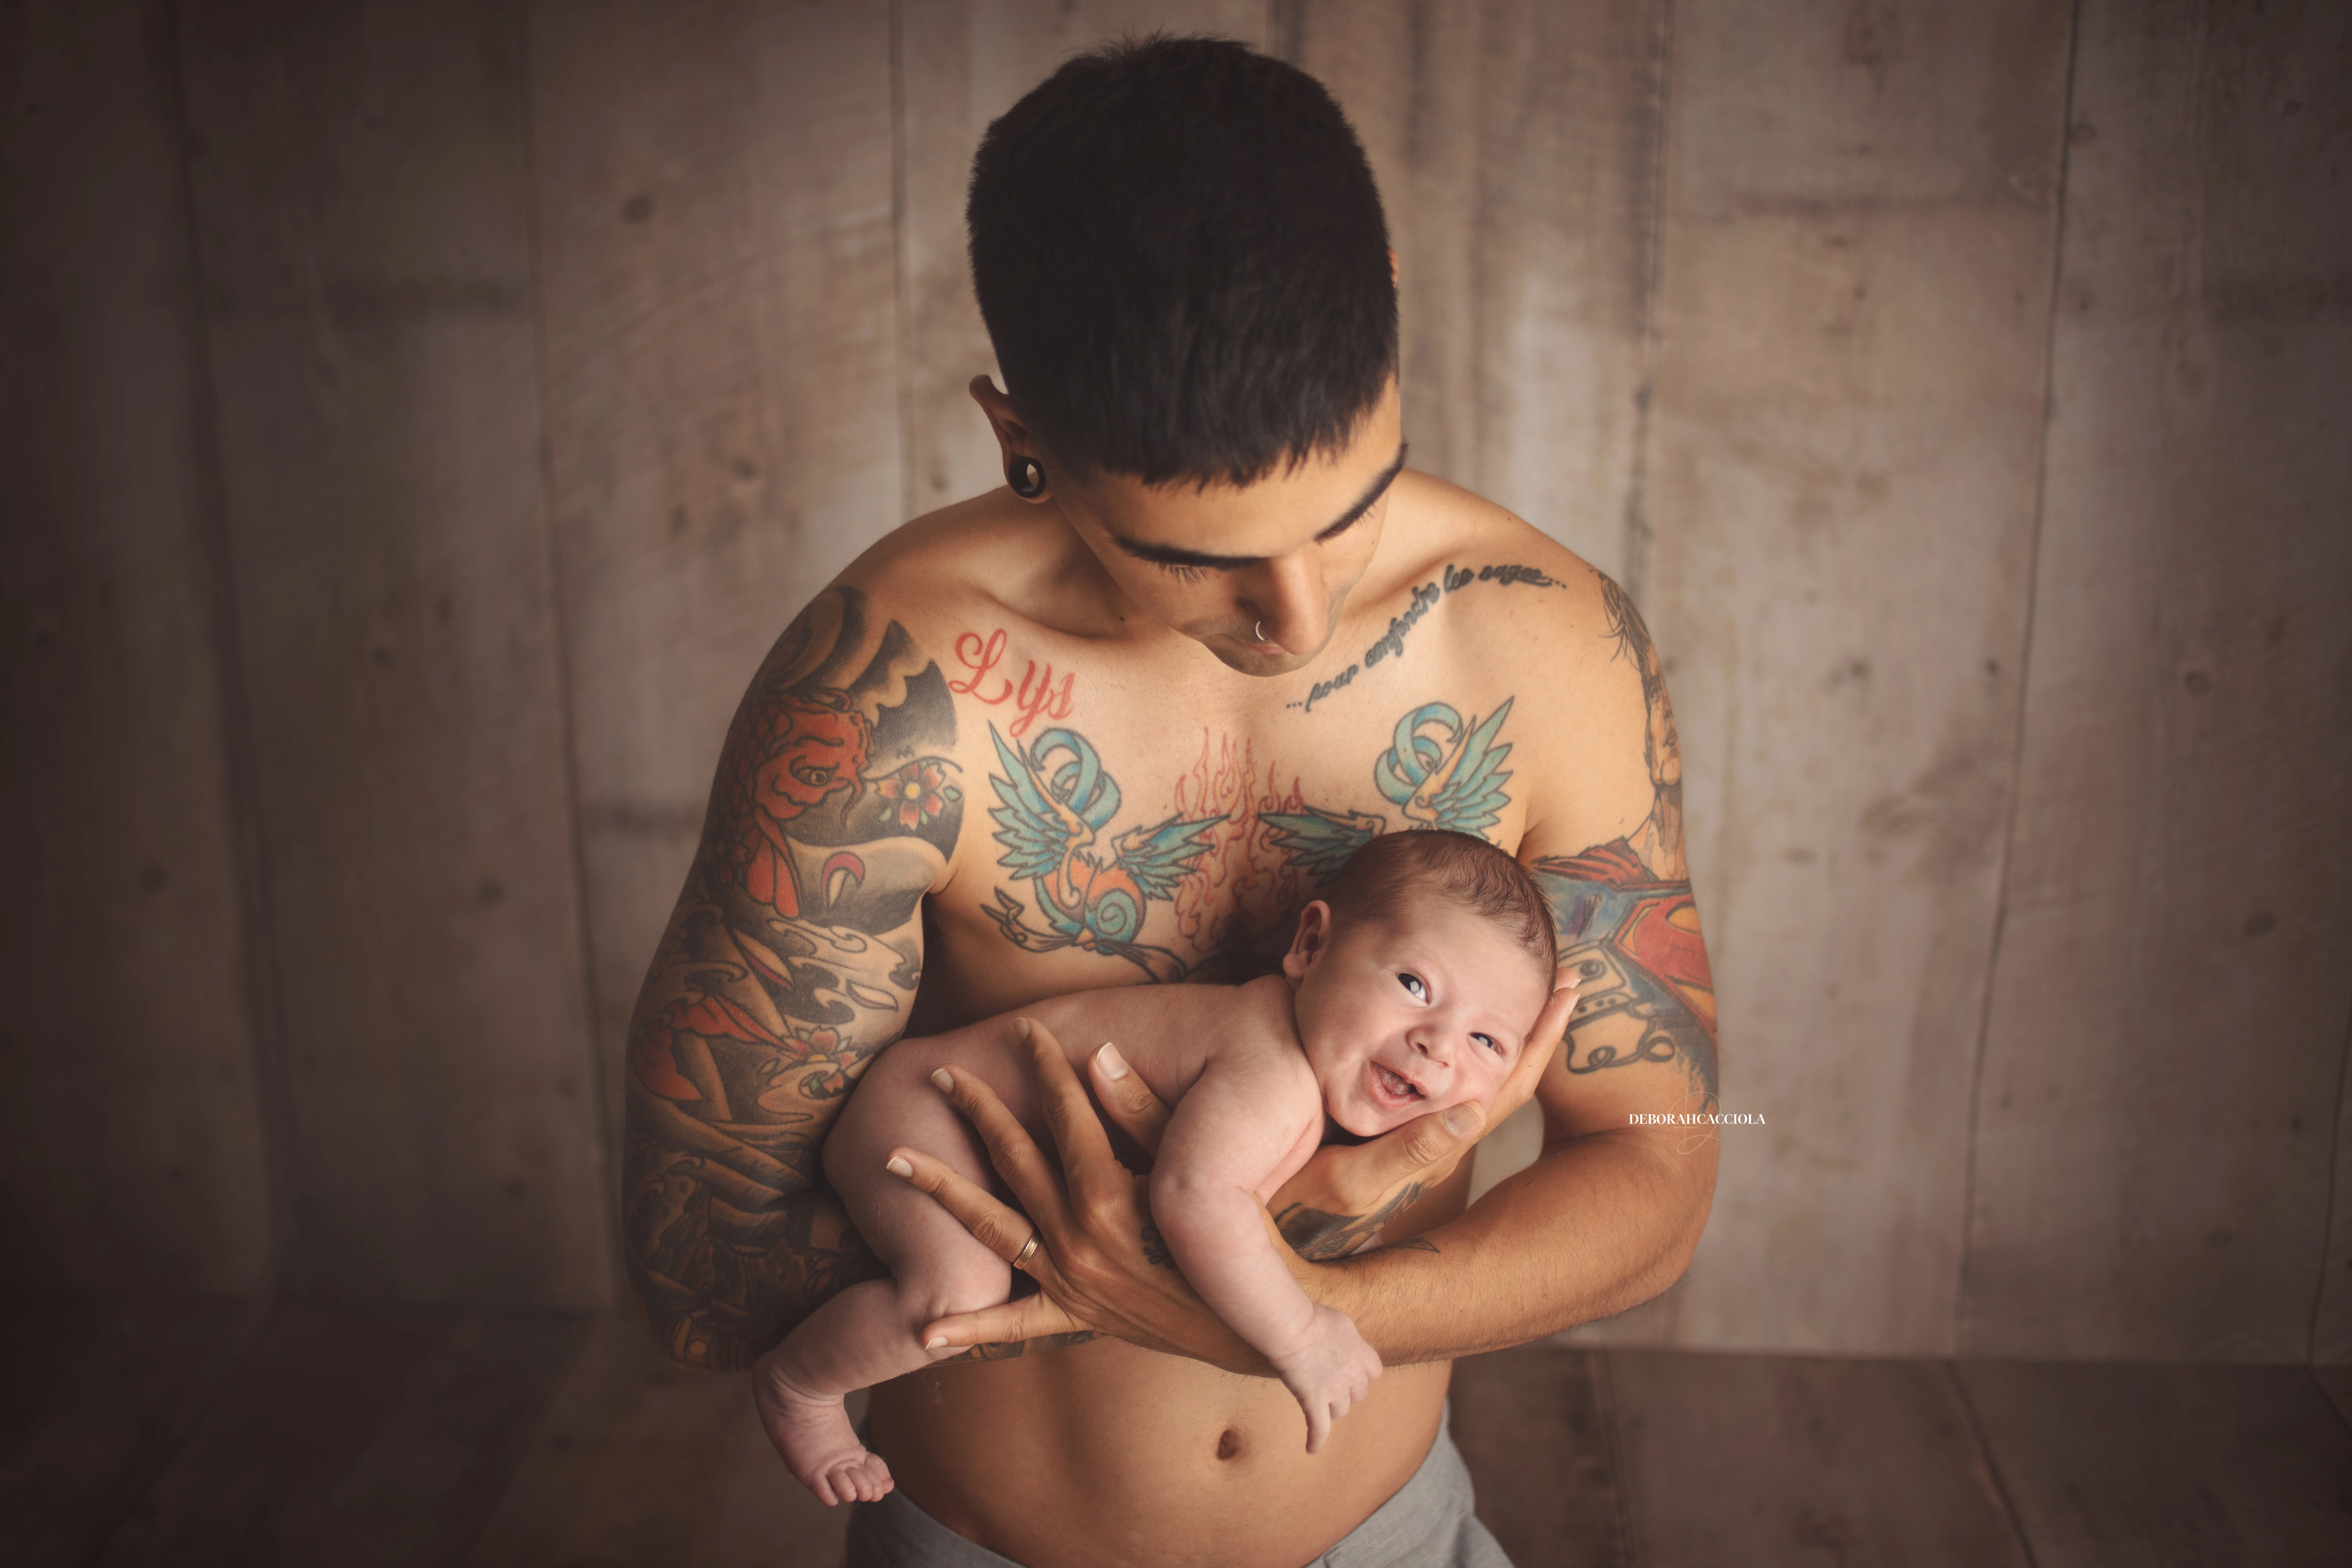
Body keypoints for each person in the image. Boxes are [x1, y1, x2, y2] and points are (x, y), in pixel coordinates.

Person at [622, 34, 1719, 1568]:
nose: (1297, 617)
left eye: (1345, 515)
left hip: (1388, 1532)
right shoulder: (887, 698)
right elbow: (702, 1275)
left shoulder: (1551, 647)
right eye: (1197, 555)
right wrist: (1264, 1226)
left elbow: (1665, 1151)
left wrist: (1314, 1295)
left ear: (1387, 295)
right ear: (1023, 438)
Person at [757, 832, 1574, 1505]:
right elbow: (1195, 1196)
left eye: (1487, 1042)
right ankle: (801, 1384)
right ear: (1311, 944)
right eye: (1413, 982)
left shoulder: (1295, 1065)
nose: (1439, 1041)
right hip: (925, 1114)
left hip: (944, 1114)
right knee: (958, 1291)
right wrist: (1302, 1330)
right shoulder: (1270, 1065)